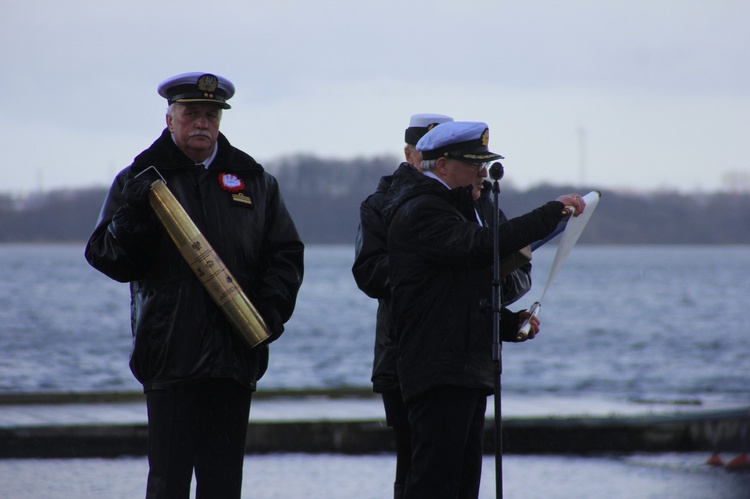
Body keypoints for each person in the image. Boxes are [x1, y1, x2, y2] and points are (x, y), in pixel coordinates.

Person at [84, 72, 304, 499]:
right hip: (170, 354)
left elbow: (285, 255)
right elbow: (107, 257)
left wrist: (267, 317)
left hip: (235, 357)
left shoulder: (254, 180)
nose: (202, 122)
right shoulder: (140, 180)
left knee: (223, 485)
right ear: (170, 120)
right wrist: (133, 211)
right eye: (191, 114)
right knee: (168, 483)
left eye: (211, 114)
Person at [382, 121, 586, 498]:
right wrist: (549, 214)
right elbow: (481, 247)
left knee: (461, 486)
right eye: (472, 162)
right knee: (434, 485)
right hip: (439, 370)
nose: (481, 171)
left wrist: (508, 324)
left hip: (464, 369)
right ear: (442, 165)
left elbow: (461, 293)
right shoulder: (422, 210)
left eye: (484, 162)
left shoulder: (461, 209)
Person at [352, 114, 533, 499]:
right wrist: (434, 266)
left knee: (464, 473)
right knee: (419, 470)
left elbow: (515, 271)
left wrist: (503, 318)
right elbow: (369, 272)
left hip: (469, 352)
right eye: (426, 150)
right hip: (402, 349)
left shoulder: (480, 200)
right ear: (411, 153)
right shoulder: (384, 204)